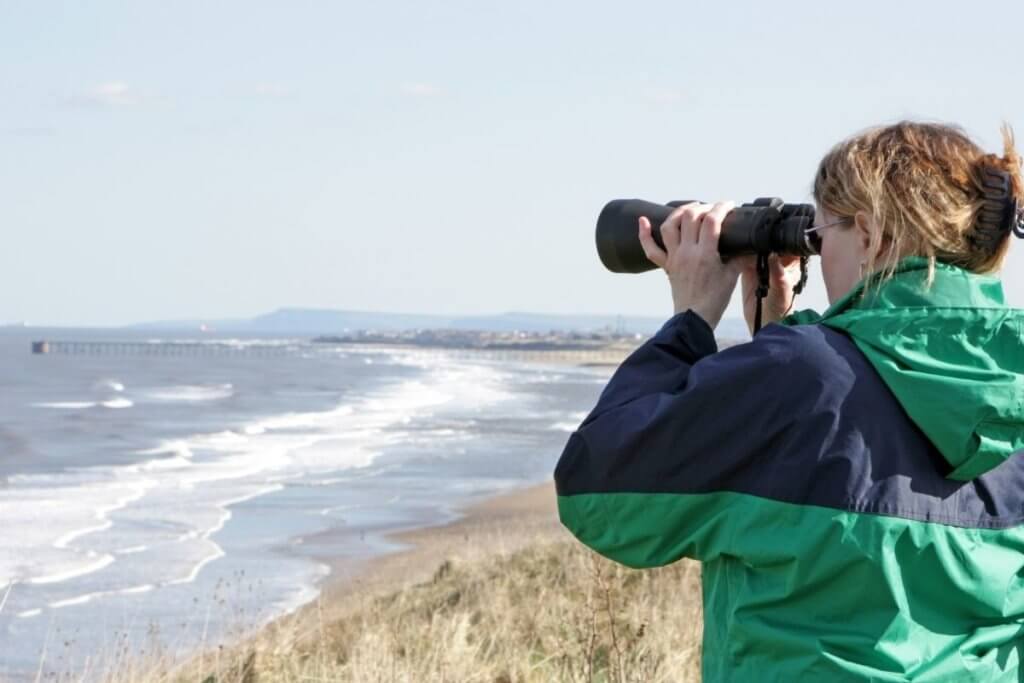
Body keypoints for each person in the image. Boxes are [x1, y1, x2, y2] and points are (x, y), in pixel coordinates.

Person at [554, 121, 1024, 681]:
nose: (818, 257)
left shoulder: (800, 375)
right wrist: (777, 333)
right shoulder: (1010, 390)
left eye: (823, 236)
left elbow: (598, 494)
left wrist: (689, 322)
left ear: (870, 237)